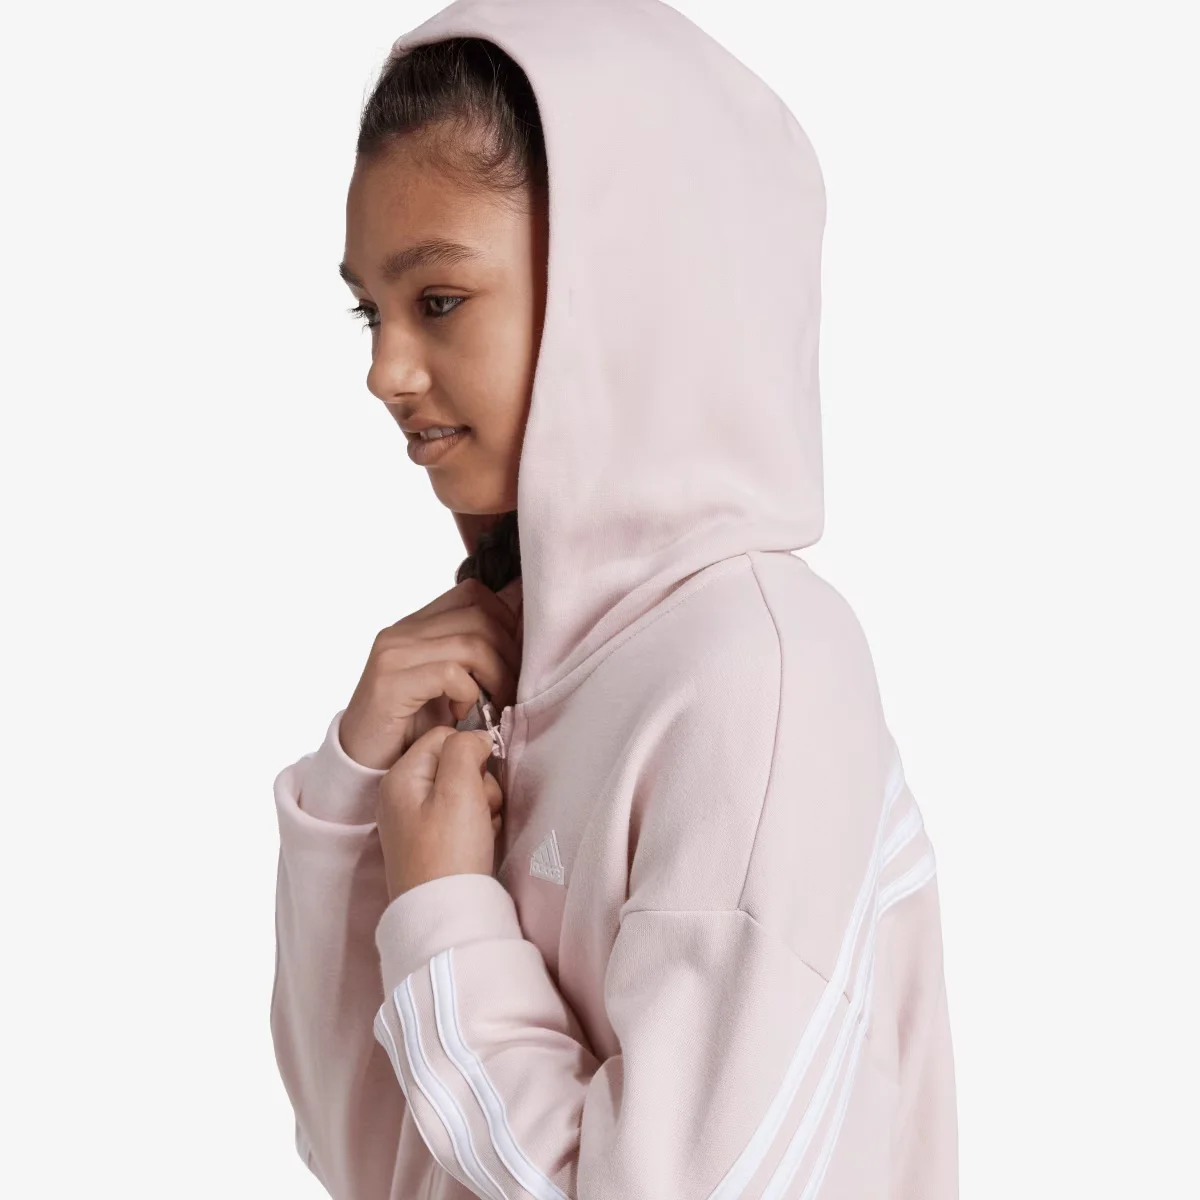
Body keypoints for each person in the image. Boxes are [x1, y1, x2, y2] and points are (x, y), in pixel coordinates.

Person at [270, 0, 959, 1197]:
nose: (383, 370)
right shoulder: (500, 665)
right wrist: (349, 802)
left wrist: (442, 913)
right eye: (368, 311)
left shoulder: (760, 677)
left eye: (438, 301)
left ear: (627, 293)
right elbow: (363, 1155)